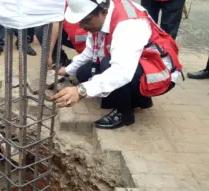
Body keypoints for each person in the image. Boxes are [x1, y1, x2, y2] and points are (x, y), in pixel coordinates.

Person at [51, 0, 183, 129]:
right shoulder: (101, 16)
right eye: (80, 22)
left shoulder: (128, 24)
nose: (82, 27)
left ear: (103, 11)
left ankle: (124, 113)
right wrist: (67, 70)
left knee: (107, 65)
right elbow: (90, 51)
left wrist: (81, 91)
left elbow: (122, 71)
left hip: (159, 73)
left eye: (85, 21)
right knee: (82, 73)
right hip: (141, 62)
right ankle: (140, 100)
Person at [35, 3, 88, 68]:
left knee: (83, 72)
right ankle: (60, 62)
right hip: (74, 36)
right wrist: (48, 54)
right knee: (43, 28)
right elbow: (55, 22)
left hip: (90, 39)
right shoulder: (63, 3)